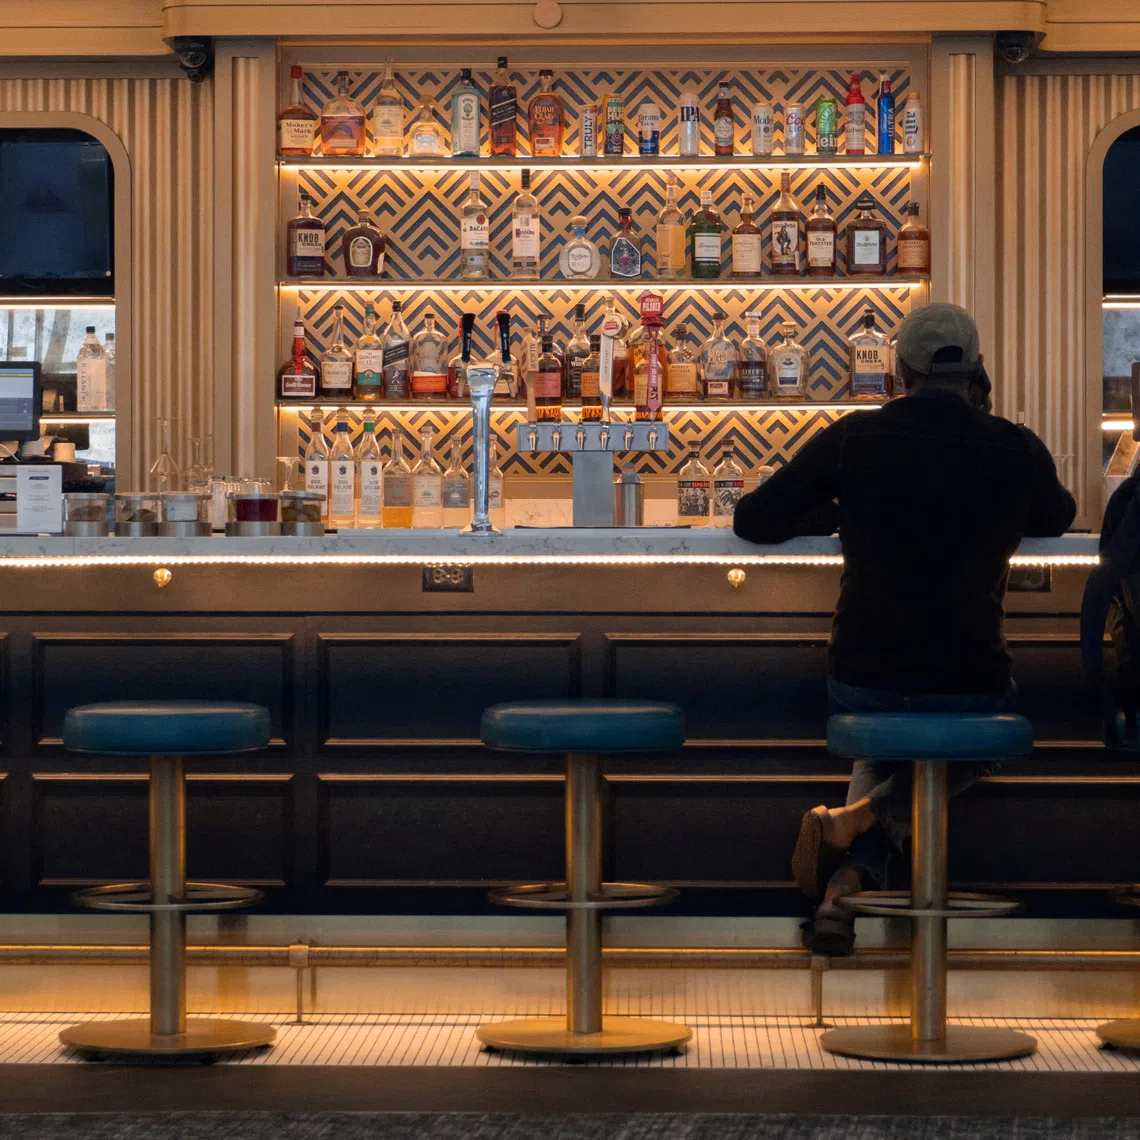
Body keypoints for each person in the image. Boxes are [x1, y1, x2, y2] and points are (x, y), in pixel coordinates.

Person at [732, 303, 1076, 955]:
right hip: (972, 682)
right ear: (976, 367)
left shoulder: (856, 437)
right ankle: (859, 825)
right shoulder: (1014, 446)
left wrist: (829, 513)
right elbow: (1059, 517)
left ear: (899, 370)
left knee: (882, 748)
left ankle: (842, 888)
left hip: (864, 678)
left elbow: (755, 518)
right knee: (978, 743)